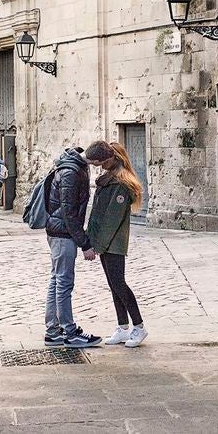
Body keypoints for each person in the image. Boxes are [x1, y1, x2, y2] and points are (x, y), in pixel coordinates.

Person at [85, 140, 147, 348]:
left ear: (111, 158)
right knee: (114, 285)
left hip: (113, 243)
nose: (99, 166)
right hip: (105, 242)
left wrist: (97, 246)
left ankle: (139, 326)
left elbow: (112, 219)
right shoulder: (109, 179)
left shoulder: (121, 183)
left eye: (101, 162)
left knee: (119, 283)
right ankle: (123, 326)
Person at [44, 146, 102, 348]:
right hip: (63, 234)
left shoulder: (72, 166)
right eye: (100, 164)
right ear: (95, 160)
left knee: (57, 280)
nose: (99, 167)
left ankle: (52, 331)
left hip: (59, 232)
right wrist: (84, 243)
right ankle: (69, 333)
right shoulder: (70, 172)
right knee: (63, 283)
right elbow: (69, 214)